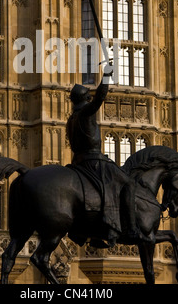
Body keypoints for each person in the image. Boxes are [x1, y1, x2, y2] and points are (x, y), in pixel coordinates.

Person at [66, 68, 144, 246]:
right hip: (94, 161)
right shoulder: (85, 113)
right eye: (89, 98)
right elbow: (100, 97)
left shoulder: (72, 118)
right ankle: (130, 229)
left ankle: (93, 232)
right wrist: (107, 75)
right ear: (87, 99)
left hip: (77, 163)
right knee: (128, 183)